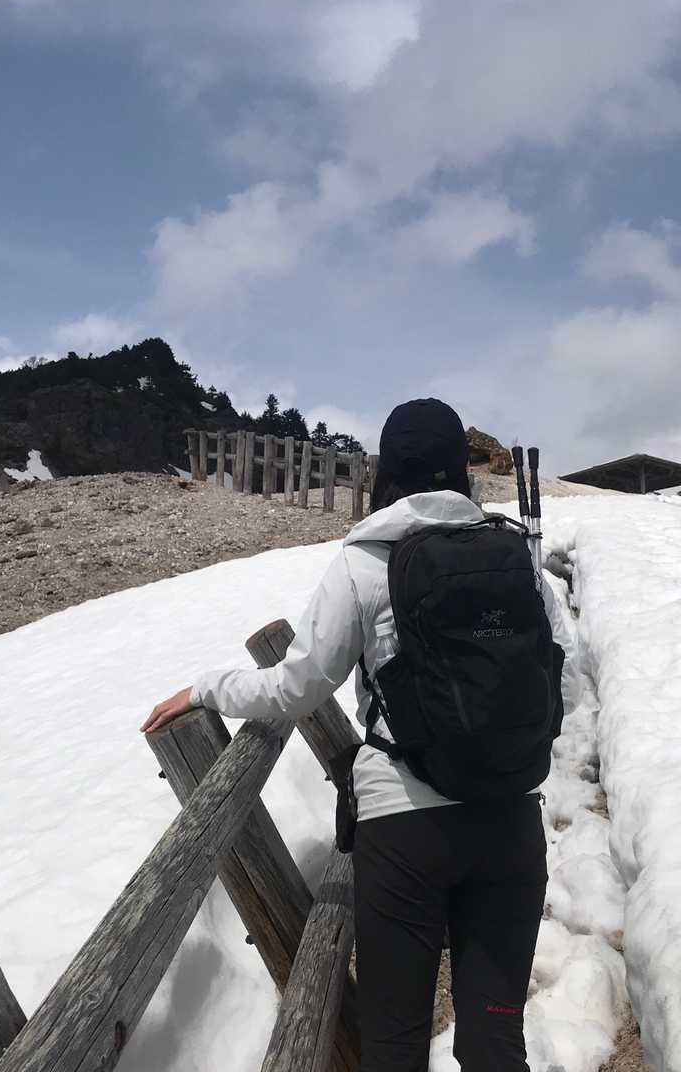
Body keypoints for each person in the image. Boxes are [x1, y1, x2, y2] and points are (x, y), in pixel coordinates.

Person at [145, 398, 559, 1071]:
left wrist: (204, 688)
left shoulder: (365, 560)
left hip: (405, 833)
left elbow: (294, 688)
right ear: (461, 471)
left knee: (394, 1048)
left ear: (386, 473)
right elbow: (554, 676)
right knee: (495, 1044)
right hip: (510, 824)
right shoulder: (513, 557)